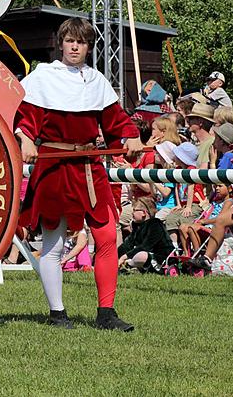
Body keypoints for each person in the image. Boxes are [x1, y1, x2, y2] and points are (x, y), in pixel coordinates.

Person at [15, 17, 143, 331]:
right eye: (70, 41)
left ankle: (106, 314)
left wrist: (131, 138)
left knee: (106, 236)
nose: (75, 47)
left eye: (81, 42)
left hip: (89, 166)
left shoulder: (96, 80)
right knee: (54, 243)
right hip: (55, 165)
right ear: (61, 43)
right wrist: (26, 138)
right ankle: (58, 314)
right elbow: (25, 117)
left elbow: (115, 120)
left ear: (88, 46)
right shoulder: (42, 78)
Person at [118, 197, 174, 274]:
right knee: (137, 255)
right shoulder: (137, 226)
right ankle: (132, 266)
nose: (132, 213)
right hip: (144, 256)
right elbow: (127, 245)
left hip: (161, 259)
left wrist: (124, 257)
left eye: (135, 210)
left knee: (141, 255)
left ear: (144, 212)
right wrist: (114, 255)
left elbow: (146, 246)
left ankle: (128, 266)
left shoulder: (155, 224)